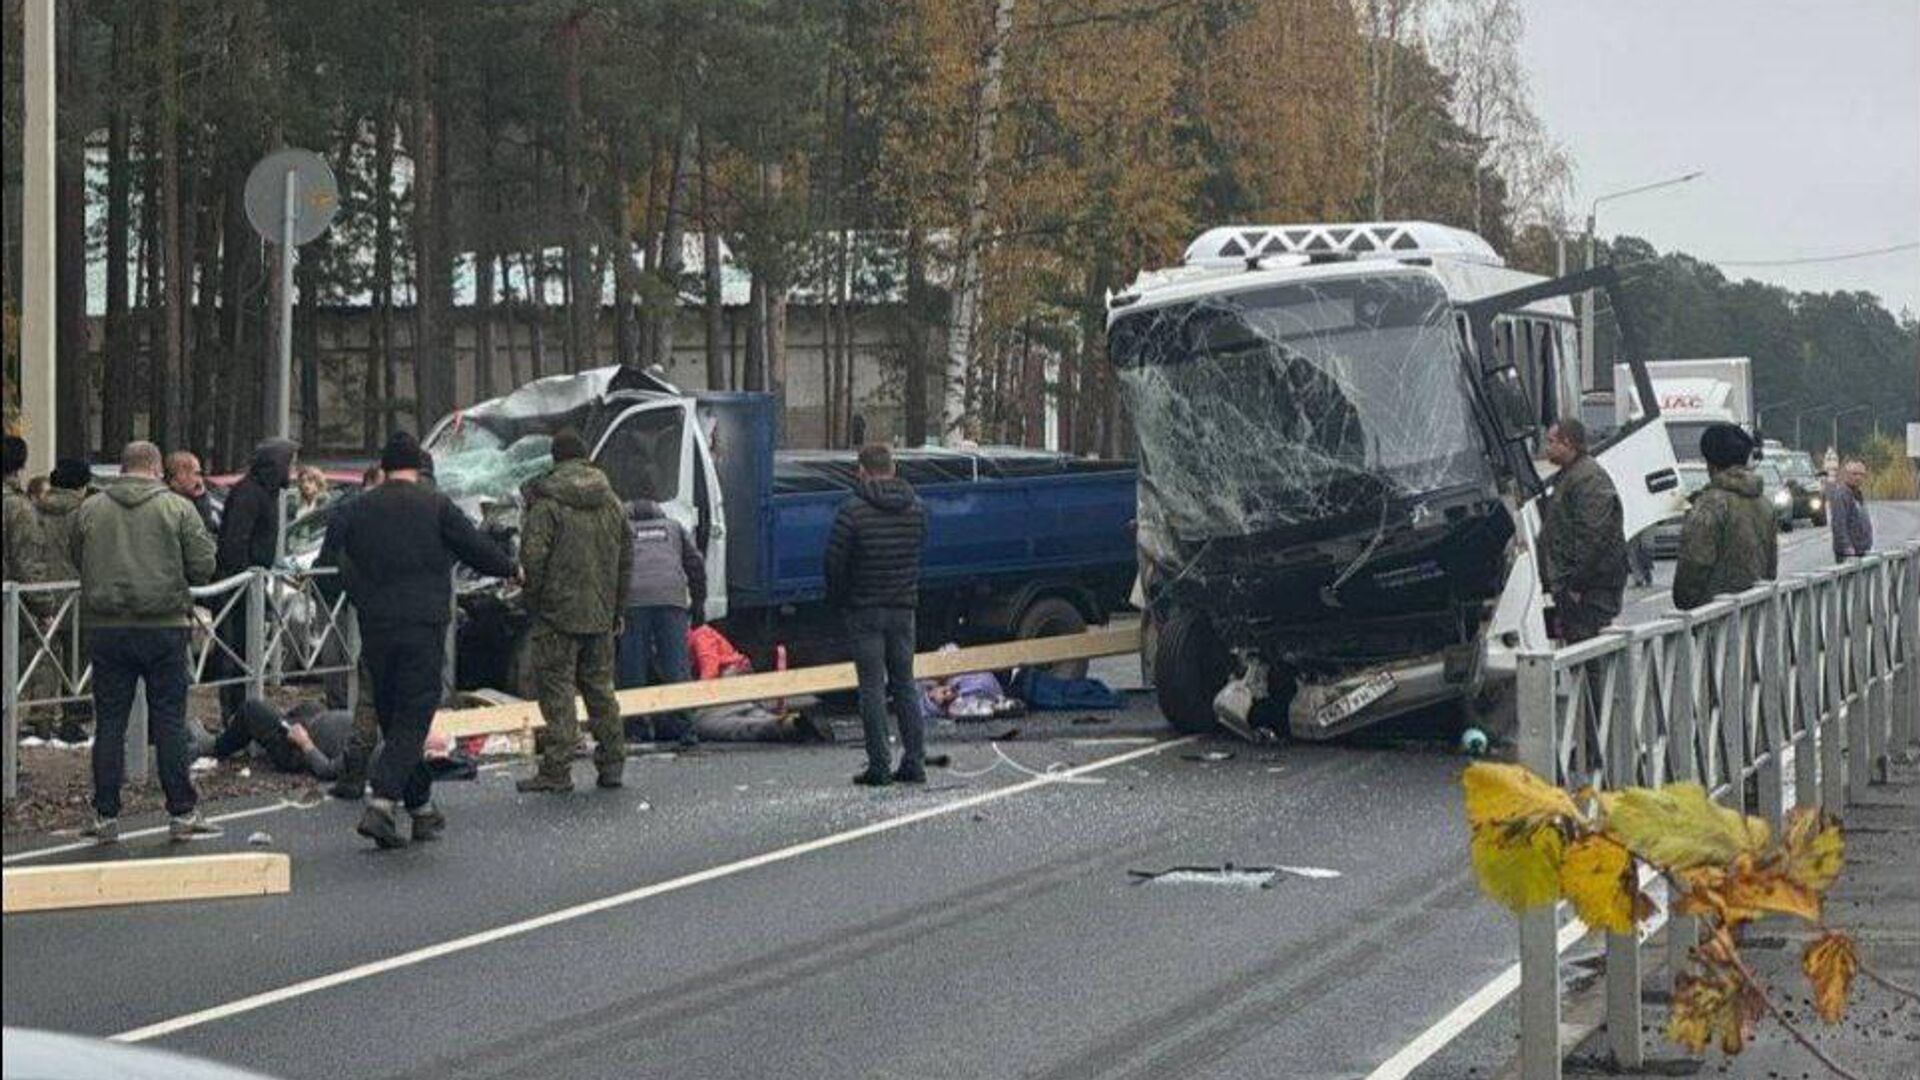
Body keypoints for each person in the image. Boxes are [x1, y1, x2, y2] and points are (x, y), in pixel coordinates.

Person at [318, 431, 516, 848]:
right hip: (423, 624)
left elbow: (329, 567)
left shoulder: (356, 509)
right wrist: (511, 569)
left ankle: (421, 807)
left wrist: (358, 594)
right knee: (415, 712)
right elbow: (475, 547)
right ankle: (383, 802)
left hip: (375, 627)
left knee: (393, 716)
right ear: (419, 467)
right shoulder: (435, 505)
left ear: (385, 467)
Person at [69, 441, 219, 843]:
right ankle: (182, 811)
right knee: (168, 720)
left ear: (122, 468)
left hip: (106, 628)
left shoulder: (90, 508)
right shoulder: (177, 508)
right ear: (156, 469)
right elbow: (204, 565)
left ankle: (104, 815)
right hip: (164, 625)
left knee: (110, 722)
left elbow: (76, 556)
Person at [515, 429, 633, 793]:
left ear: (555, 459)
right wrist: (617, 608)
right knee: (601, 690)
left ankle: (557, 769)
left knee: (558, 691)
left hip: (557, 615)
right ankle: (612, 762)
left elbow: (532, 559)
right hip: (599, 614)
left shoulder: (547, 503)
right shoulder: (611, 500)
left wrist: (533, 603)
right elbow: (627, 559)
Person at [824, 443, 929, 786]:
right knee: (905, 685)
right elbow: (919, 551)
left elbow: (834, 563)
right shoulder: (916, 508)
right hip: (903, 609)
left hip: (865, 609)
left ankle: (879, 765)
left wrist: (841, 599)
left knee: (871, 688)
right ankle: (914, 761)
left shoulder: (852, 511)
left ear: (862, 470)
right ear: (893, 468)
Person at [213, 438, 298, 725]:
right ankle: (234, 714)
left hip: (251, 585)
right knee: (234, 651)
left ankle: (246, 710)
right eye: (289, 463)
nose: (293, 470)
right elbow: (235, 542)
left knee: (247, 652)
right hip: (239, 587)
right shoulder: (250, 493)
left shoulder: (265, 493)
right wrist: (248, 576)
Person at [615, 481, 706, 745]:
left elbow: (612, 571)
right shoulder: (674, 528)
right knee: (675, 664)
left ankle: (635, 729)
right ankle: (683, 728)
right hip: (671, 599)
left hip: (634, 602)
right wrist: (698, 602)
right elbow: (696, 564)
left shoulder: (623, 533)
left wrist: (613, 611)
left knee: (633, 666)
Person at [1537, 418, 1628, 644]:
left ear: (1567, 443)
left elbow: (1593, 537)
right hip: (1579, 588)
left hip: (1590, 591)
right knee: (1578, 647)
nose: (1546, 448)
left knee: (1589, 649)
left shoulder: (1588, 478)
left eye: (1551, 442)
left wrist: (1576, 585)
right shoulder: (1571, 475)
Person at [1673, 424, 1779, 610]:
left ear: (1711, 463)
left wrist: (1686, 604)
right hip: (1756, 614)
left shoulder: (1711, 504)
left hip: (1716, 616)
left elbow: (1694, 565)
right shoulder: (1764, 504)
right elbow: (1771, 567)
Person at [31, 459, 95, 741]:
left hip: (39, 594)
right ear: (81, 485)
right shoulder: (83, 513)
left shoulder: (34, 510)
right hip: (75, 595)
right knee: (77, 659)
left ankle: (40, 718)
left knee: (43, 657)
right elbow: (88, 555)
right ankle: (75, 718)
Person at [1828, 458, 1873, 562]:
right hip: (1849, 554)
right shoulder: (1841, 495)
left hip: (1861, 551)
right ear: (1846, 475)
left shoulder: (1857, 494)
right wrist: (1846, 547)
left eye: (1861, 474)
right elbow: (1839, 524)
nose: (1858, 478)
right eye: (1854, 474)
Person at [165, 450, 219, 534]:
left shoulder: (212, 505)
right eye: (195, 473)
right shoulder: (163, 503)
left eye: (198, 474)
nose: (198, 478)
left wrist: (201, 500)